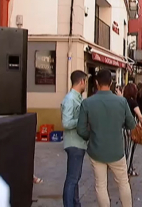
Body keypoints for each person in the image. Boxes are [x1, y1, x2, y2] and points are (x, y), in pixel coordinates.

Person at [76, 69, 136, 207]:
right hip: (116, 150)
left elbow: (81, 129)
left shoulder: (87, 103)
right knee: (123, 182)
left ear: (96, 83)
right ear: (111, 83)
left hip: (96, 150)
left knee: (100, 185)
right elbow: (131, 124)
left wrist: (90, 137)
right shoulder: (121, 102)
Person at [61, 70, 87, 207]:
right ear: (82, 81)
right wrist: (82, 121)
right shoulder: (70, 99)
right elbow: (66, 123)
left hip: (79, 143)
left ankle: (76, 203)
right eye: (86, 82)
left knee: (75, 178)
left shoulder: (77, 98)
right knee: (72, 179)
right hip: (74, 144)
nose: (86, 85)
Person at [122, 83, 142, 176]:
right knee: (130, 150)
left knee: (125, 149)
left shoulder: (122, 101)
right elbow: (139, 115)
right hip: (131, 128)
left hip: (122, 128)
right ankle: (128, 169)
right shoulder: (133, 102)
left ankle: (129, 167)